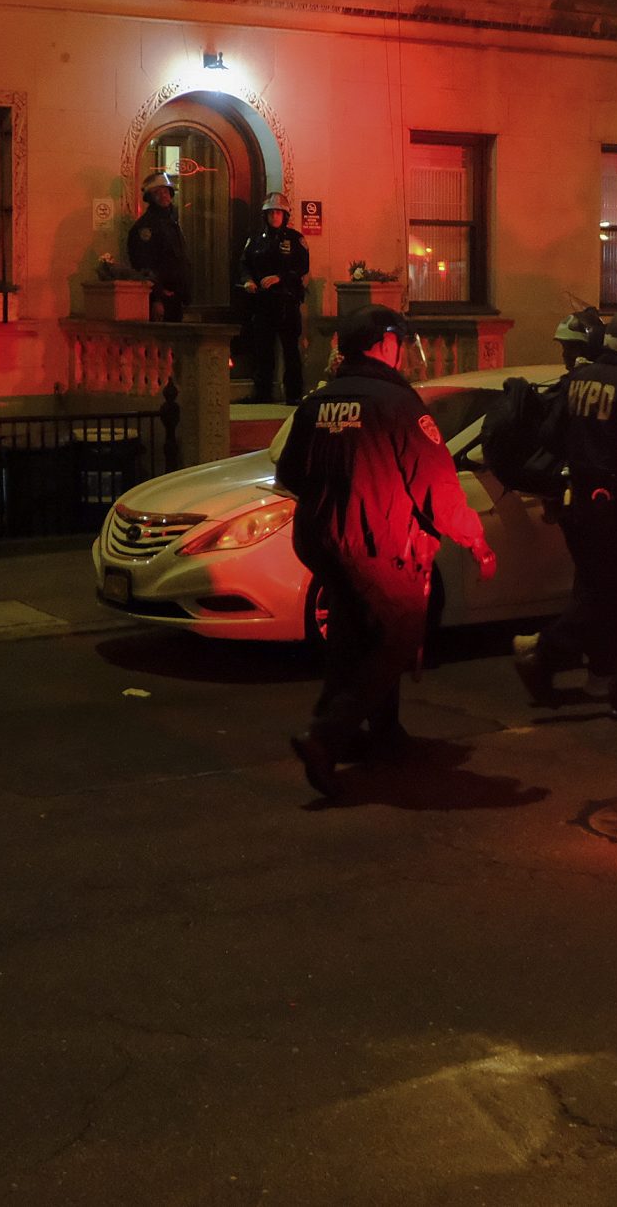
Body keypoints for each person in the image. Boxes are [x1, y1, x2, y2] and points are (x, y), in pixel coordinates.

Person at [279, 305, 496, 796]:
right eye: (399, 340)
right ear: (383, 344)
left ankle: (380, 735)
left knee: (352, 636)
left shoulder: (317, 403)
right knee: (397, 637)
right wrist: (475, 540)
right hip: (375, 543)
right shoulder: (398, 405)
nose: (402, 350)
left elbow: (289, 473)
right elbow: (436, 485)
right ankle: (327, 736)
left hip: (321, 540)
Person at [514, 305, 617, 719]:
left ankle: (577, 666)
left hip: (579, 502)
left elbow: (551, 435)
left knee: (597, 592)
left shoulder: (580, 379)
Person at [239, 192, 311, 404]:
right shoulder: (255, 239)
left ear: (285, 215)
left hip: (286, 302)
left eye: (278, 213)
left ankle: (294, 394)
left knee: (291, 350)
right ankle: (262, 393)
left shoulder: (296, 239)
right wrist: (248, 280)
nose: (274, 217)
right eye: (271, 213)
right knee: (263, 350)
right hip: (262, 303)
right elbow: (244, 263)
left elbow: (301, 268)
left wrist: (280, 277)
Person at [126, 168, 192, 322]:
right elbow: (144, 266)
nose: (164, 196)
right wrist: (157, 297)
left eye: (166, 192)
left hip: (177, 296)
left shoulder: (172, 222)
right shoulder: (145, 227)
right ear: (150, 197)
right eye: (158, 193)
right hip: (162, 299)